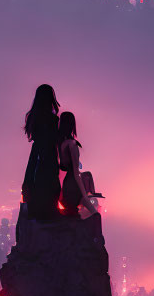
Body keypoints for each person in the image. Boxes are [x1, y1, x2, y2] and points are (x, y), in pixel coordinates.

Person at [21, 83, 62, 220]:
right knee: (51, 187)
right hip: (48, 155)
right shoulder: (52, 119)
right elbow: (53, 139)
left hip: (36, 155)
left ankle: (40, 212)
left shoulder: (34, 117)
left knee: (37, 185)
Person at [57, 111, 99, 218]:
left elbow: (63, 166)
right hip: (74, 186)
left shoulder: (60, 144)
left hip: (67, 187)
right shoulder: (72, 144)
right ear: (72, 125)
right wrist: (84, 195)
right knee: (96, 216)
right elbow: (76, 173)